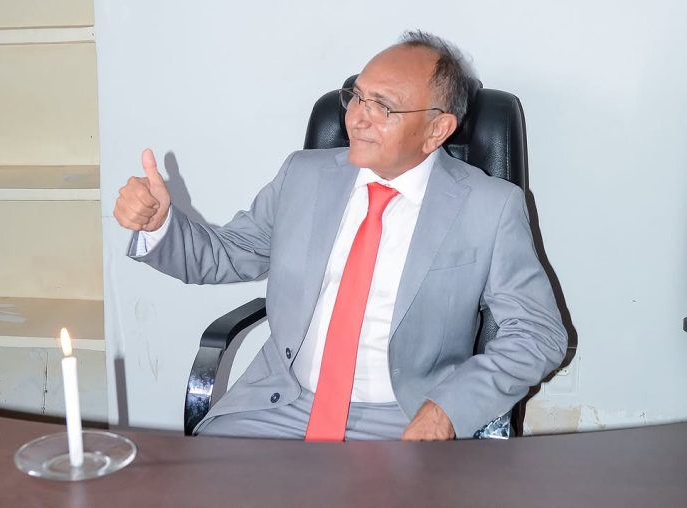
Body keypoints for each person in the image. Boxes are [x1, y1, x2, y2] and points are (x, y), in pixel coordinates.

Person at [113, 30, 567, 441]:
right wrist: (159, 226)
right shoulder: (302, 176)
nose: (357, 118)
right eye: (357, 97)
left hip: (404, 419)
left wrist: (448, 410)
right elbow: (230, 254)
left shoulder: (489, 206)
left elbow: (538, 333)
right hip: (279, 407)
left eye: (383, 107)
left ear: (437, 130)